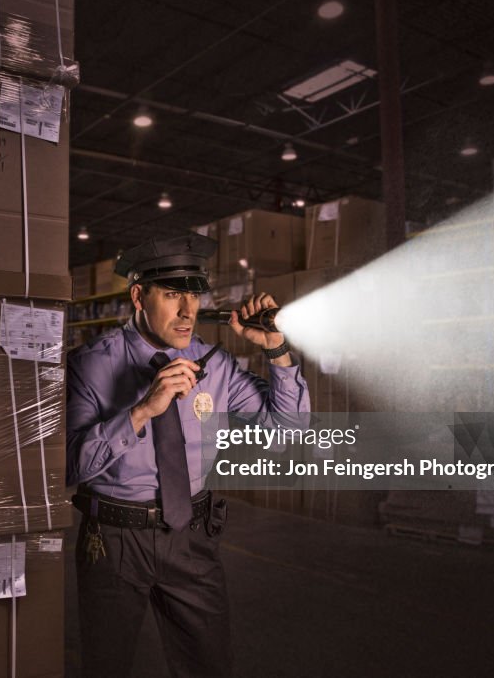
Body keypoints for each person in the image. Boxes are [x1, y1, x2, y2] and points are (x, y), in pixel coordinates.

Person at [66, 232, 311, 677]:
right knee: (107, 665)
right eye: (173, 295)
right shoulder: (89, 365)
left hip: (192, 536)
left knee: (210, 666)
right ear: (139, 295)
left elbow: (288, 431)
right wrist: (141, 411)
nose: (188, 312)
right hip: (115, 541)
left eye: (195, 295)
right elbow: (71, 466)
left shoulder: (214, 364)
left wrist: (276, 350)